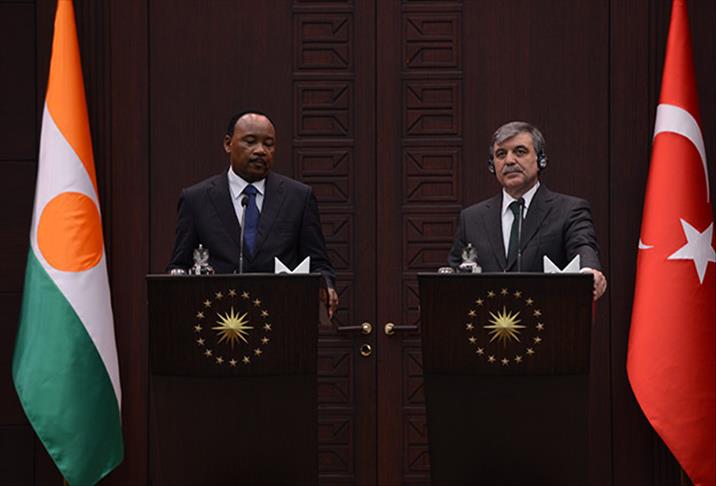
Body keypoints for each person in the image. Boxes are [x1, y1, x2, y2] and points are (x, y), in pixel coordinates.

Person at [167, 110, 339, 316]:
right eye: (250, 142)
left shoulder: (298, 197)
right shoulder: (196, 199)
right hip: (218, 320)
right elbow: (179, 265)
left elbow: (318, 263)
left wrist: (326, 285)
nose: (260, 151)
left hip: (280, 317)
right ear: (228, 144)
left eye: (269, 144)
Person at [448, 121, 607, 301]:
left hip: (547, 314)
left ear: (541, 160)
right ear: (492, 165)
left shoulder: (569, 210)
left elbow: (582, 246)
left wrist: (588, 272)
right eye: (501, 154)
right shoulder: (472, 218)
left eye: (520, 152)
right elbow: (454, 275)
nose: (509, 161)